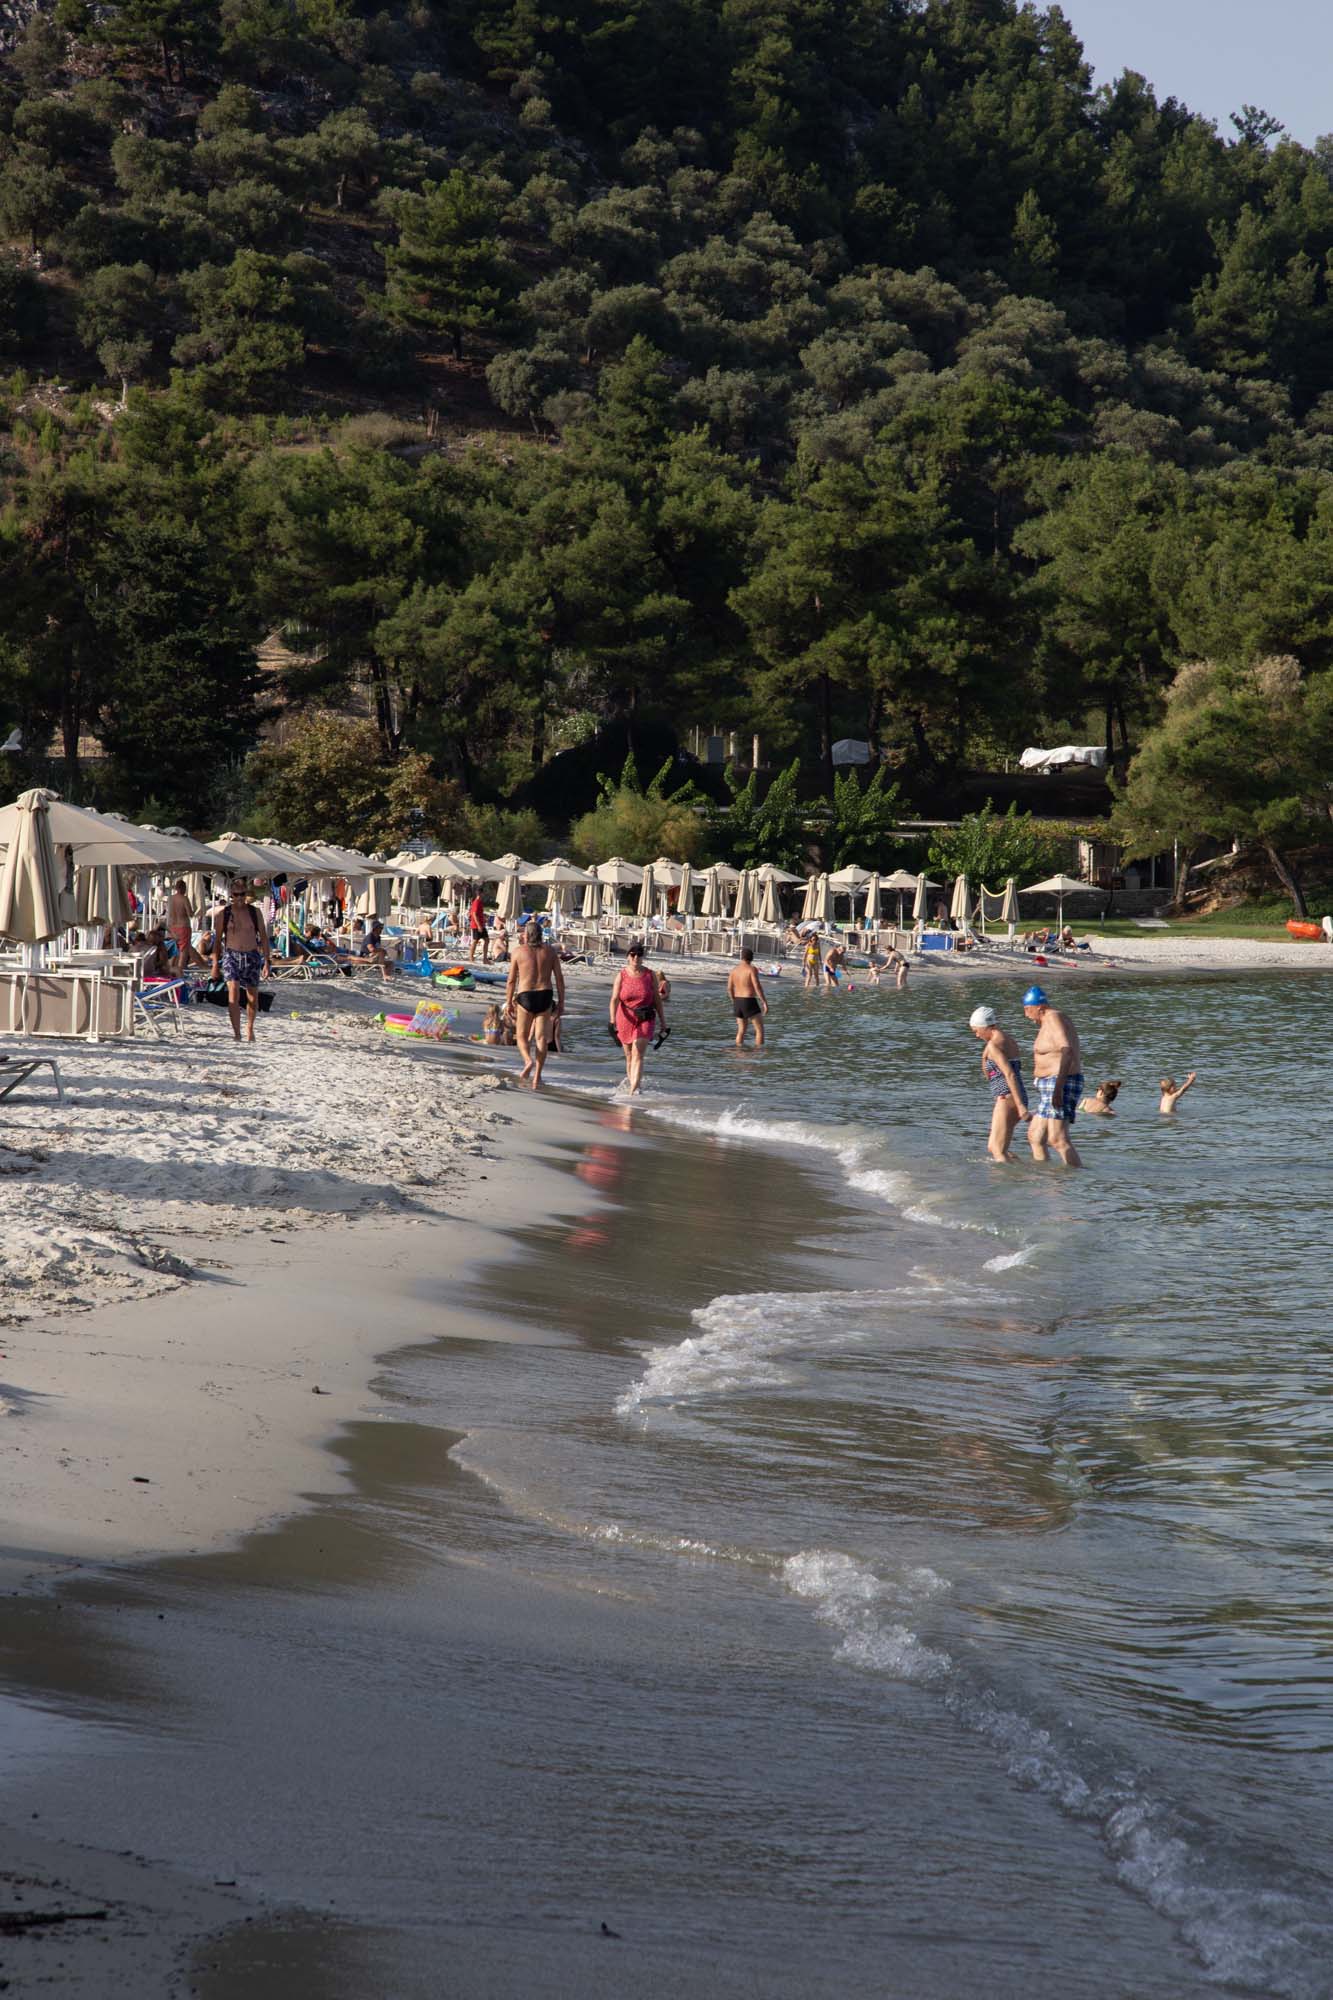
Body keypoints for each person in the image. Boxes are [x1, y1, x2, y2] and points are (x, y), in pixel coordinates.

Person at [1022, 985, 1083, 1167]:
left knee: (1057, 1139)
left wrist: (1058, 1088)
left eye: (1027, 1009)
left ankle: (1076, 1176)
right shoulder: (1048, 1020)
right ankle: (1044, 1176)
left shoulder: (1053, 1017)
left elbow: (1067, 1050)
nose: (1026, 1014)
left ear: (1039, 1007)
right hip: (1050, 1083)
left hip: (1060, 1081)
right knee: (1035, 1136)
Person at [504, 919, 565, 1088]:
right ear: (540, 935)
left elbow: (511, 980)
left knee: (522, 1036)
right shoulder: (550, 951)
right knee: (541, 1038)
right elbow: (559, 979)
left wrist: (508, 1002)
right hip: (545, 995)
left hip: (526, 995)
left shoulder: (518, 952)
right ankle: (537, 1077)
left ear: (526, 935)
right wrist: (561, 1002)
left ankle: (528, 1061)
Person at [211, 880, 271, 1043]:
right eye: (236, 895)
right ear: (231, 895)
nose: (239, 898)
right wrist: (215, 964)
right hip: (231, 955)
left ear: (246, 894)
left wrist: (267, 961)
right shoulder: (224, 914)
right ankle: (237, 1032)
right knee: (233, 992)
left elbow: (264, 937)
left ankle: (250, 1028)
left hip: (252, 955)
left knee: (252, 996)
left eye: (242, 894)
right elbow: (217, 940)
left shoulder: (254, 912)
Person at [969, 1005, 1030, 1163]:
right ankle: (1023, 1169)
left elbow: (1010, 1074)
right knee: (994, 1147)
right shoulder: (1007, 1039)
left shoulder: (994, 1045)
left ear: (986, 1026)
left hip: (1008, 1097)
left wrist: (1020, 1106)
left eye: (976, 1031)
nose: (976, 1035)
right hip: (1015, 1095)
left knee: (997, 1149)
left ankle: (1009, 1176)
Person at [609, 941, 663, 1095]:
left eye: (639, 955)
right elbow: (614, 999)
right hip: (625, 1017)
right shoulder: (621, 975)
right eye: (633, 954)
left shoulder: (650, 975)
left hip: (645, 1017)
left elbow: (657, 999)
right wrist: (612, 1020)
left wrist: (663, 1022)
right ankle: (633, 1083)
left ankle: (634, 1089)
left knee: (638, 1052)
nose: (636, 958)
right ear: (628, 956)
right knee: (629, 1056)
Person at [727, 948, 768, 1048]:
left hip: (737, 1001)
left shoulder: (734, 971)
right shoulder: (751, 969)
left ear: (741, 957)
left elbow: (729, 988)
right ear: (752, 958)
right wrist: (764, 1002)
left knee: (741, 1030)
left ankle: (738, 1051)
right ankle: (759, 1052)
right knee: (759, 1030)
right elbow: (757, 986)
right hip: (749, 1000)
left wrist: (733, 1000)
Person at [167, 880, 201, 973]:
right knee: (183, 951)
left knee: (174, 950)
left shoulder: (170, 899)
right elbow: (190, 914)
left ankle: (171, 970)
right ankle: (181, 971)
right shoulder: (184, 899)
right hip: (183, 926)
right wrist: (195, 911)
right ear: (183, 888)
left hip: (172, 927)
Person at [468, 889, 489, 963]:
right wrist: (479, 925)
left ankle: (485, 959)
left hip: (481, 924)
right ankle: (471, 958)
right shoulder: (476, 902)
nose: (484, 895)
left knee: (486, 940)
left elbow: (477, 913)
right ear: (481, 894)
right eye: (483, 893)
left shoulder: (479, 902)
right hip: (476, 925)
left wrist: (484, 917)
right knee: (475, 941)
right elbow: (474, 914)